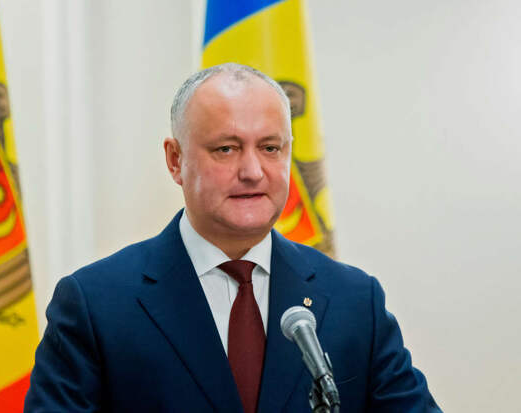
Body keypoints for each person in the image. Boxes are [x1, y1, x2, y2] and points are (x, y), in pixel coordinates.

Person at [24, 63, 441, 412]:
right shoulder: (95, 305)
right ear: (175, 160)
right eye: (226, 149)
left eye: (270, 148)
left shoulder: (355, 301)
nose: (253, 172)